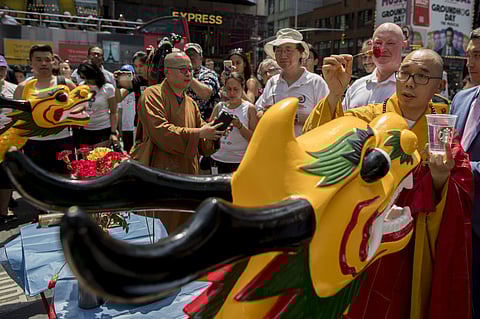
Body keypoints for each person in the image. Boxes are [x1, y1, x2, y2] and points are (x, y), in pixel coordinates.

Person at [304, 48, 471, 319]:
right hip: (361, 241)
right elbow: (317, 147)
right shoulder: (368, 117)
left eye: (421, 76)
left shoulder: (441, 130)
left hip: (411, 247)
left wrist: (440, 178)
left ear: (439, 86)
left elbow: (462, 185)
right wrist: (335, 95)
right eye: (405, 73)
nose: (409, 82)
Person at [130, 52, 223, 232]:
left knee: (186, 225)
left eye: (190, 70)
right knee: (162, 227)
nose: (188, 74)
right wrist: (199, 132)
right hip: (161, 171)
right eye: (182, 70)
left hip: (188, 172)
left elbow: (203, 142)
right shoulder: (152, 94)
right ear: (167, 72)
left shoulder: (191, 104)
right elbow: (161, 132)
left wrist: (214, 132)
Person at [450, 27, 480, 319]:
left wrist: (463, 167)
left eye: (478, 55)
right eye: (469, 54)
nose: (470, 62)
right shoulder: (461, 98)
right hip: (457, 215)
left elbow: (461, 161)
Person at [14, 44, 77, 174]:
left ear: (53, 62)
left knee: (66, 184)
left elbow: (80, 109)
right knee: (36, 186)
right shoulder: (22, 88)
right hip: (34, 144)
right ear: (30, 62)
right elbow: (17, 120)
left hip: (62, 142)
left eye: (47, 59)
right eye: (38, 59)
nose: (43, 63)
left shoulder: (66, 84)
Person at [256, 28, 329, 136]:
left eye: (288, 50)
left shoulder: (316, 82)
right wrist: (266, 114)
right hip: (275, 147)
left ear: (301, 53)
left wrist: (292, 117)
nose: (283, 55)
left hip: (305, 148)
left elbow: (326, 118)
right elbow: (259, 111)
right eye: (279, 50)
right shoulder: (272, 82)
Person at [339, 23, 406, 111]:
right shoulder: (357, 86)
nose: (382, 49)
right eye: (378, 43)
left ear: (403, 46)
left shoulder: (409, 89)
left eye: (390, 43)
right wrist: (335, 92)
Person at [209, 72, 258, 173]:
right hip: (218, 158)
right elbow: (209, 132)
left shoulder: (249, 108)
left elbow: (254, 138)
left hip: (240, 160)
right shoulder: (219, 107)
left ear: (242, 88)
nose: (232, 93)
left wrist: (239, 126)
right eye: (229, 89)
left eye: (236, 89)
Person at [73, 63, 119, 148]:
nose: (86, 80)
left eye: (88, 77)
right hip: (85, 129)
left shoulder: (108, 88)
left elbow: (113, 112)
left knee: (101, 158)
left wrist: (113, 132)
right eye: (83, 78)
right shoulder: (81, 86)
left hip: (103, 129)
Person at [0, 55, 18, 223]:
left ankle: (4, 212)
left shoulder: (14, 89)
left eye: (2, 68)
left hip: (9, 139)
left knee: (6, 177)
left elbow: (21, 115)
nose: (0, 72)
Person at [184, 43, 220, 120]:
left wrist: (188, 76)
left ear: (201, 57)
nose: (191, 57)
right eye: (188, 54)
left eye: (194, 54)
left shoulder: (209, 74)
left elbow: (206, 94)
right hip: (185, 118)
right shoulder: (178, 74)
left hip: (204, 120)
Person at [117, 64, 136, 153]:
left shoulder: (138, 88)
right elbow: (119, 112)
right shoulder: (121, 92)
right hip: (126, 128)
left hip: (137, 128)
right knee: (128, 153)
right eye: (123, 75)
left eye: (128, 74)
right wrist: (120, 130)